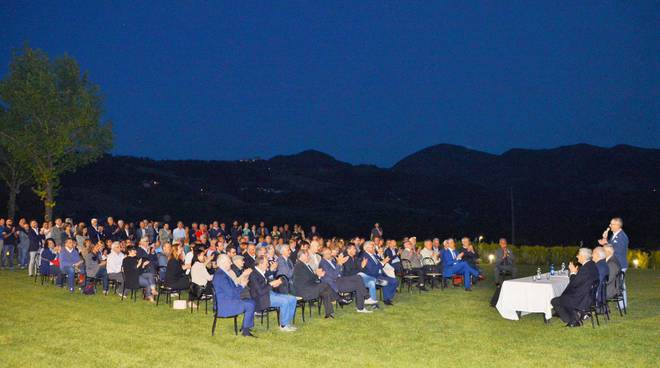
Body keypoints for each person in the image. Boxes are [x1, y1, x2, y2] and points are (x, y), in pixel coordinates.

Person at [550, 248, 599, 327]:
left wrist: (572, 272)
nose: (577, 256)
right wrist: (576, 274)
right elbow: (580, 281)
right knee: (564, 296)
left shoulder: (585, 268)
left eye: (578, 255)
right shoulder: (592, 265)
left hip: (581, 300)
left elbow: (574, 284)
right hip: (589, 297)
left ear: (583, 256)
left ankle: (573, 320)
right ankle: (576, 315)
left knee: (555, 301)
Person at [248, 255, 298, 332]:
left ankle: (287, 322)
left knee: (292, 299)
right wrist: (271, 284)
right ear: (260, 264)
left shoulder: (261, 271)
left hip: (269, 294)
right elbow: (260, 292)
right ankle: (283, 326)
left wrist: (275, 283)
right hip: (261, 299)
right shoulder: (253, 275)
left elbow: (267, 279)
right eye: (266, 263)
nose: (268, 265)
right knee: (285, 301)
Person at [212, 254, 256, 337]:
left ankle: (245, 327)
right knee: (249, 305)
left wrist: (241, 286)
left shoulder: (221, 273)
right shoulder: (221, 276)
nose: (231, 264)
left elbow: (231, 290)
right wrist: (242, 285)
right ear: (223, 263)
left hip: (226, 301)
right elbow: (232, 293)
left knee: (251, 302)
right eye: (229, 262)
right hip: (224, 306)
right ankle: (245, 331)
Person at [319, 248, 373, 312]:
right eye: (327, 253)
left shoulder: (331, 261)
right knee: (358, 285)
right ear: (322, 254)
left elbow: (340, 272)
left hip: (340, 279)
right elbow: (334, 276)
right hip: (335, 284)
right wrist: (339, 263)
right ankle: (362, 305)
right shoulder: (323, 263)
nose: (329, 254)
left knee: (358, 277)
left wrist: (341, 264)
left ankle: (366, 298)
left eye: (330, 253)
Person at [292, 250, 338, 319]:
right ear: (302, 256)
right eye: (307, 255)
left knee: (325, 291)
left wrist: (317, 275)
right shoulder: (299, 266)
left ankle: (329, 313)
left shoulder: (305, 265)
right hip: (304, 291)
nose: (309, 257)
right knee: (325, 285)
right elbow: (308, 278)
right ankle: (339, 298)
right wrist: (317, 274)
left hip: (309, 287)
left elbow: (310, 278)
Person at [598, 217, 628, 307]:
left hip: (619, 264)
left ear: (618, 225)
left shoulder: (622, 236)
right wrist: (606, 240)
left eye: (612, 224)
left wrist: (605, 243)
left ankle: (621, 305)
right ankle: (621, 304)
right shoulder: (614, 235)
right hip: (615, 263)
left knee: (619, 284)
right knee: (620, 284)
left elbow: (614, 250)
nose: (610, 226)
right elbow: (611, 247)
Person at [360, 241, 398, 305]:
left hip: (380, 274)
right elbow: (372, 270)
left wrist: (381, 258)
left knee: (395, 281)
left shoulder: (373, 255)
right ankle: (386, 299)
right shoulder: (365, 256)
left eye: (373, 247)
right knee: (386, 282)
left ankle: (388, 297)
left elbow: (379, 261)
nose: (374, 248)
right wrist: (383, 262)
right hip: (373, 277)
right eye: (372, 247)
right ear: (366, 248)